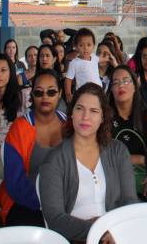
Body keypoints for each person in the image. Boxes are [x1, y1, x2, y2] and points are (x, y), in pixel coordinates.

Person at [39, 83, 138, 242]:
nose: (85, 116)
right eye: (80, 108)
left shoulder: (118, 151)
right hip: (77, 238)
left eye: (94, 111)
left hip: (117, 236)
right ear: (71, 113)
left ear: (102, 118)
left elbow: (129, 200)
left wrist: (116, 230)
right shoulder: (54, 160)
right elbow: (55, 218)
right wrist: (98, 230)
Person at [0, 70, 66, 226]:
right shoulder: (19, 128)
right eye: (38, 92)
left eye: (51, 92)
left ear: (60, 93)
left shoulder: (69, 125)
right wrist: (46, 204)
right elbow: (15, 183)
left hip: (65, 200)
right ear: (32, 94)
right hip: (25, 201)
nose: (45, 97)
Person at [108, 66, 147, 198]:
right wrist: (140, 159)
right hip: (114, 180)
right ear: (111, 89)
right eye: (116, 82)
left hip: (144, 179)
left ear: (135, 86)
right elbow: (104, 157)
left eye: (126, 81)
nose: (120, 86)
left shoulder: (146, 116)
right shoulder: (105, 118)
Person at [64, 28, 101, 103]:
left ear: (93, 45)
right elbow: (68, 79)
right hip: (83, 95)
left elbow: (101, 59)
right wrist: (68, 93)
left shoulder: (94, 57)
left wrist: (110, 58)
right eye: (81, 45)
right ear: (76, 46)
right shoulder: (74, 63)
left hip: (99, 93)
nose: (85, 48)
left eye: (89, 45)